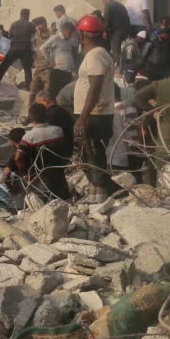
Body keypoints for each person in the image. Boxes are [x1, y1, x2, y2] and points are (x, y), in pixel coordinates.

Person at [72, 14, 117, 202]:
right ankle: (93, 194)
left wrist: (83, 116)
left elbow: (95, 87)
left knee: (94, 155)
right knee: (88, 155)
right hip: (95, 113)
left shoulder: (95, 55)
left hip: (95, 115)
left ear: (83, 35)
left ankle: (100, 197)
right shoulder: (99, 53)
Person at [14, 103, 72, 201]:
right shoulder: (58, 131)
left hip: (41, 177)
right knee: (65, 202)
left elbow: (18, 158)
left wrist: (25, 174)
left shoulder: (28, 137)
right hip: (59, 175)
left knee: (43, 206)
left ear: (31, 118)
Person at [0, 9, 36, 89]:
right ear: (27, 15)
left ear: (20, 15)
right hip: (26, 49)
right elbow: (35, 35)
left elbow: (10, 35)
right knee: (27, 69)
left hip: (14, 48)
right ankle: (29, 87)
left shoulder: (14, 24)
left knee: (4, 65)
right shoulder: (30, 25)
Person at [40, 21, 79, 100]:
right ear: (64, 30)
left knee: (65, 95)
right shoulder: (56, 38)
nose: (71, 34)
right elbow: (42, 48)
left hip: (68, 72)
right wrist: (50, 59)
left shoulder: (68, 41)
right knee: (54, 94)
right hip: (58, 71)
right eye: (70, 32)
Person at [101, 0, 131, 65]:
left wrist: (105, 30)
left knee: (115, 49)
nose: (104, 3)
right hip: (124, 30)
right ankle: (119, 65)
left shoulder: (108, 5)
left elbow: (107, 18)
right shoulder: (121, 5)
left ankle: (121, 67)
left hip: (116, 31)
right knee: (120, 49)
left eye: (104, 2)